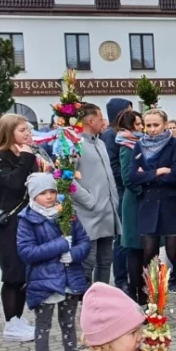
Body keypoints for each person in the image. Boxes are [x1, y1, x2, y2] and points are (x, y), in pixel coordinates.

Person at [16, 173, 90, 351]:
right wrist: (60, 245)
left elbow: (84, 241)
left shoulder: (67, 214)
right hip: (44, 282)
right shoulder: (27, 219)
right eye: (43, 193)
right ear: (33, 195)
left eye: (52, 192)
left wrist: (74, 253)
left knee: (68, 325)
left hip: (69, 278)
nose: (49, 197)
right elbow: (26, 252)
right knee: (43, 326)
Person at [131, 110, 176, 303]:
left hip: (171, 204)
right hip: (149, 205)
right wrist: (158, 172)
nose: (151, 129)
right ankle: (148, 297)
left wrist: (147, 175)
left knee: (173, 252)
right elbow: (133, 177)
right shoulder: (138, 146)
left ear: (165, 124)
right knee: (149, 252)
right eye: (148, 125)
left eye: (156, 125)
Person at [0, 114, 38, 342]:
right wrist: (26, 159)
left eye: (28, 130)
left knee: (23, 273)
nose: (28, 134)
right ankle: (11, 323)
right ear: (9, 132)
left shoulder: (22, 155)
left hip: (27, 220)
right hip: (9, 222)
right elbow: (13, 182)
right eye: (23, 130)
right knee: (12, 273)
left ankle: (18, 318)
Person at [72, 103, 120, 286]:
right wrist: (89, 200)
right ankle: (85, 299)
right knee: (88, 261)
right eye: (101, 118)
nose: (104, 122)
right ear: (90, 121)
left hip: (107, 212)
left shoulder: (100, 142)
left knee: (106, 260)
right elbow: (66, 179)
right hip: (88, 213)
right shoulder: (75, 144)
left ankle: (102, 299)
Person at [115, 110, 147, 304]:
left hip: (141, 200)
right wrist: (143, 190)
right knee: (135, 248)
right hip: (134, 201)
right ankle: (136, 294)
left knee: (145, 249)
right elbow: (127, 177)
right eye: (138, 124)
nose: (142, 127)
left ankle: (145, 292)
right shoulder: (127, 145)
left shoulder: (139, 143)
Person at [101, 98, 133, 290]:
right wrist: (126, 181)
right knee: (121, 237)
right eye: (128, 111)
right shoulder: (111, 135)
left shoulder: (121, 133)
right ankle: (121, 280)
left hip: (125, 188)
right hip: (121, 190)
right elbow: (113, 166)